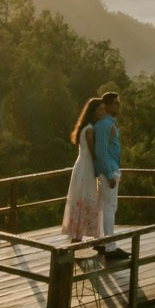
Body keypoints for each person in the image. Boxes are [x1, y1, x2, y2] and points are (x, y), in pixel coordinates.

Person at [62, 95, 104, 243]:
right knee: (88, 197)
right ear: (93, 112)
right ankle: (85, 235)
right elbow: (93, 154)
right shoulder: (90, 130)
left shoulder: (84, 128)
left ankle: (77, 234)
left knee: (80, 197)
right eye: (100, 109)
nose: (102, 112)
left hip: (80, 165)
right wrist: (101, 170)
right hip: (86, 167)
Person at [92, 90, 124, 259]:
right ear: (109, 105)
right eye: (116, 103)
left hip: (110, 169)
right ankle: (110, 247)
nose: (119, 106)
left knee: (105, 208)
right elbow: (101, 151)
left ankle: (103, 243)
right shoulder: (105, 124)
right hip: (108, 171)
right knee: (110, 208)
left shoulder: (108, 123)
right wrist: (110, 174)